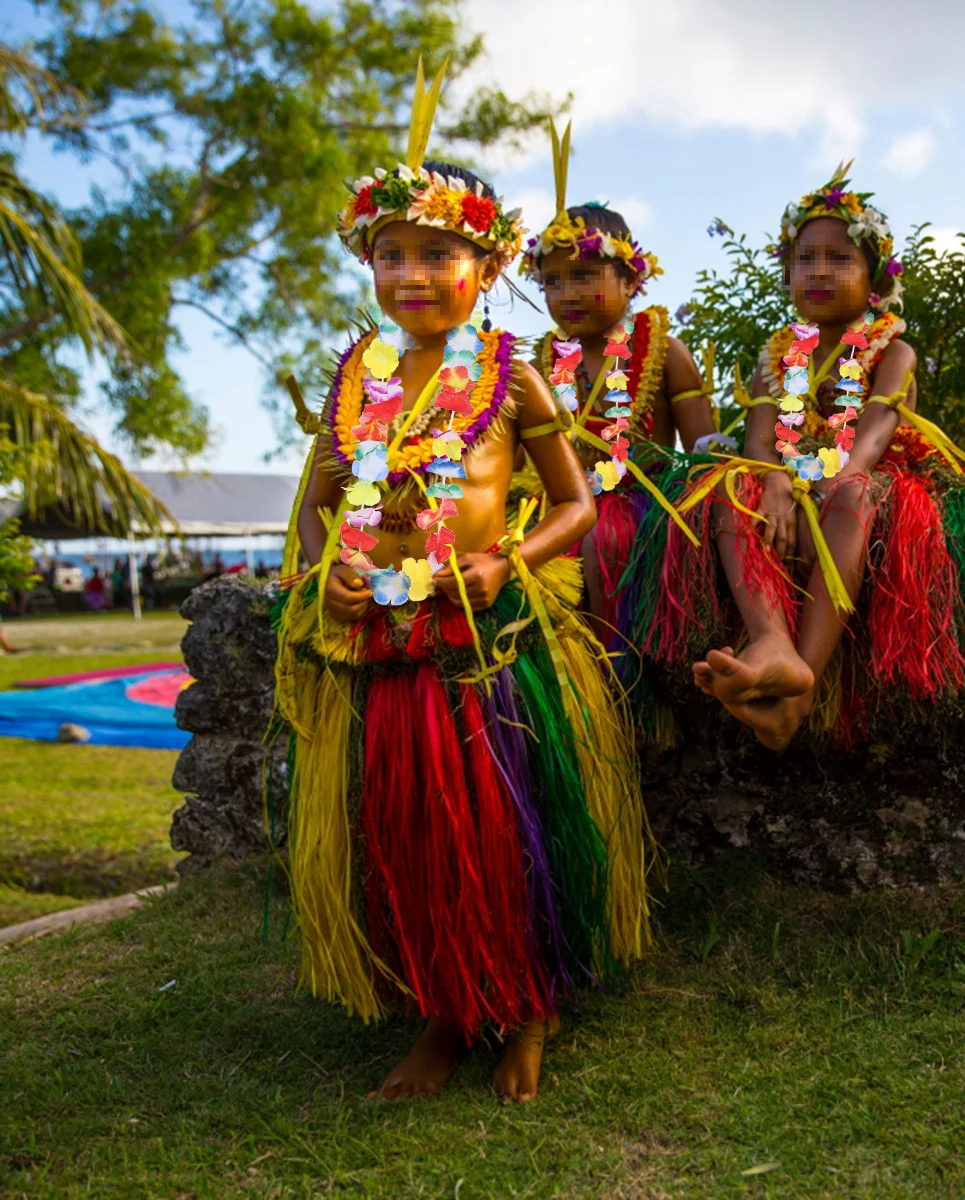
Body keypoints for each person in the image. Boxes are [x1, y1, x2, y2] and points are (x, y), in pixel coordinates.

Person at [274, 63, 649, 1106]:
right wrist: (326, 573)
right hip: (380, 648)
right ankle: (440, 1015)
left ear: (483, 264)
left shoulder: (510, 371)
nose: (410, 274)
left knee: (499, 830)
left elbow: (574, 504)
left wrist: (505, 559)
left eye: (436, 253)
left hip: (488, 646)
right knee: (412, 833)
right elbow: (316, 505)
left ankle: (528, 1011)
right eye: (389, 254)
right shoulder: (360, 378)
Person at [693, 164, 965, 749]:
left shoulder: (893, 349)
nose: (820, 271)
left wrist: (832, 480)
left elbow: (874, 434)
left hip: (867, 482)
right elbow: (758, 442)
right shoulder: (775, 358)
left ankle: (799, 688)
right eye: (806, 259)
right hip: (796, 478)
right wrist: (774, 481)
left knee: (850, 492)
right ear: (787, 272)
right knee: (729, 489)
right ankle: (769, 638)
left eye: (840, 259)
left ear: (873, 276)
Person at [520, 122, 801, 743]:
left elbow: (703, 444)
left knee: (608, 533)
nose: (568, 293)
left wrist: (720, 465)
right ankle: (554, 689)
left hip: (643, 497)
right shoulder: (537, 363)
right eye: (553, 281)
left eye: (588, 276)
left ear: (632, 281)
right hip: (559, 501)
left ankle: (621, 685)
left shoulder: (662, 348)